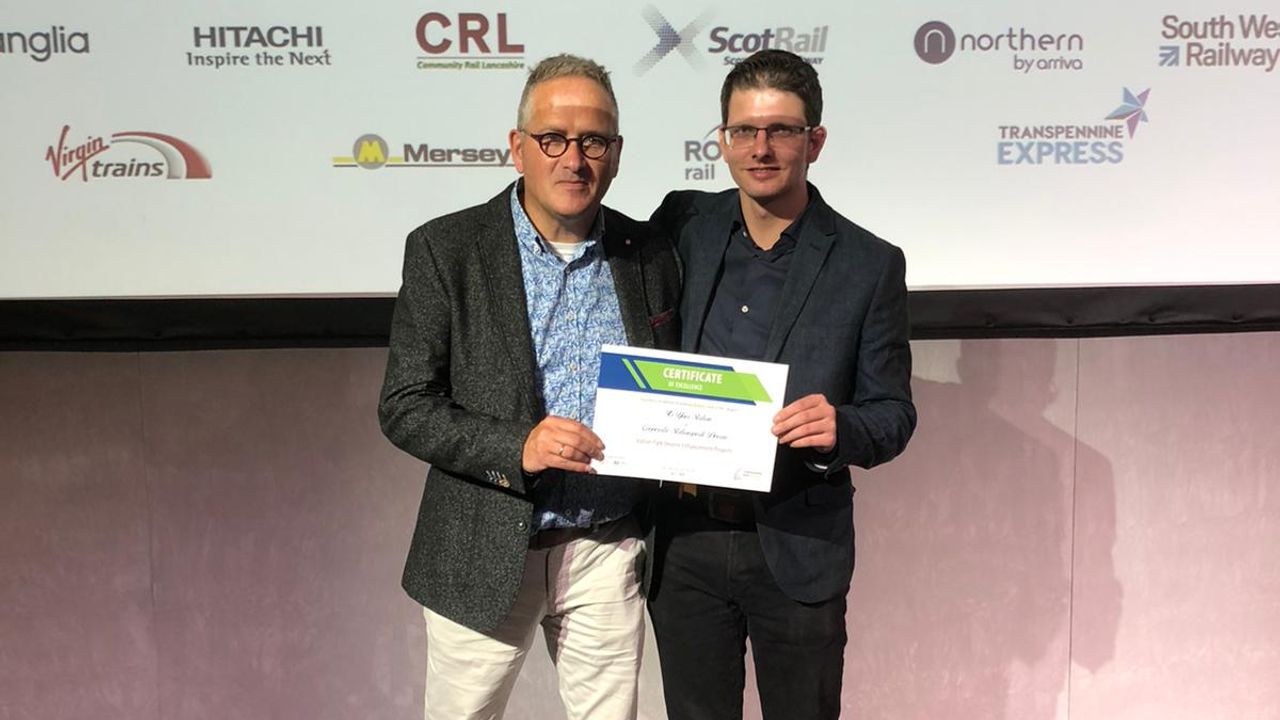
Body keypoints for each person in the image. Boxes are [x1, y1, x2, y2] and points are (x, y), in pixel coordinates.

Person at [378, 54, 680, 720]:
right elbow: (404, 406)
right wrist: (519, 446)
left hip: (607, 545)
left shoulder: (650, 254)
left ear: (616, 154)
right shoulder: (446, 249)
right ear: (517, 148)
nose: (574, 159)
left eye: (593, 141)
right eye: (553, 139)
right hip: (484, 546)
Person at [647, 49, 917, 719]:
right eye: (744, 130)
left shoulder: (869, 263)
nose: (760, 148)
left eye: (781, 131)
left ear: (814, 142)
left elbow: (893, 413)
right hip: (684, 543)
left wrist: (841, 428)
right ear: (722, 140)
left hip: (798, 544)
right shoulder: (682, 225)